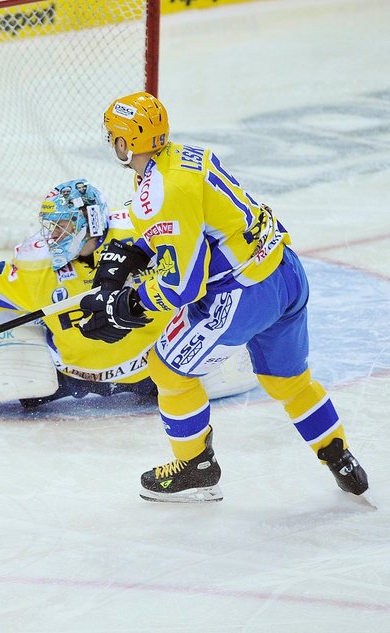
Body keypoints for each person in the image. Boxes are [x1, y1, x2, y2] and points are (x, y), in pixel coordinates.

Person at [80, 91, 368, 502]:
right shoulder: (186, 155)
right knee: (288, 381)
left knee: (167, 369)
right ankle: (337, 454)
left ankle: (195, 466)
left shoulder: (163, 191)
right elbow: (180, 220)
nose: (111, 143)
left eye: (114, 136)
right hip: (285, 271)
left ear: (126, 143)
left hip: (244, 294)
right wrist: (131, 253)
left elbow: (184, 286)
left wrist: (126, 303)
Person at [0, 178, 257, 415]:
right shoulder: (37, 264)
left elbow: (195, 263)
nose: (52, 238)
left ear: (91, 221)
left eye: (61, 228)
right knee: (29, 377)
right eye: (50, 228)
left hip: (148, 373)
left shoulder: (143, 240)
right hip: (67, 377)